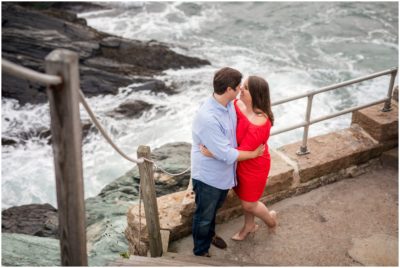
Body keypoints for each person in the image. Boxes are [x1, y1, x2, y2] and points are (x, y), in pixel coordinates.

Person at [191, 67, 265, 257]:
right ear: (229, 90)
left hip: (223, 173)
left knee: (213, 210)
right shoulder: (208, 117)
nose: (241, 89)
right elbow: (226, 154)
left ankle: (210, 235)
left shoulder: (229, 104)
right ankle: (201, 252)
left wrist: (215, 152)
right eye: (238, 86)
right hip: (209, 177)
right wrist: (254, 154)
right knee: (204, 216)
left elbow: (225, 148)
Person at [200, 75, 277, 241]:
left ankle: (271, 221)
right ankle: (250, 226)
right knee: (245, 198)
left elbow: (243, 151)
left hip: (253, 166)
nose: (241, 88)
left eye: (246, 87)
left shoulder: (260, 122)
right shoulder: (236, 104)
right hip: (237, 163)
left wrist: (214, 152)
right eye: (243, 85)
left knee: (249, 203)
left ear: (255, 94)